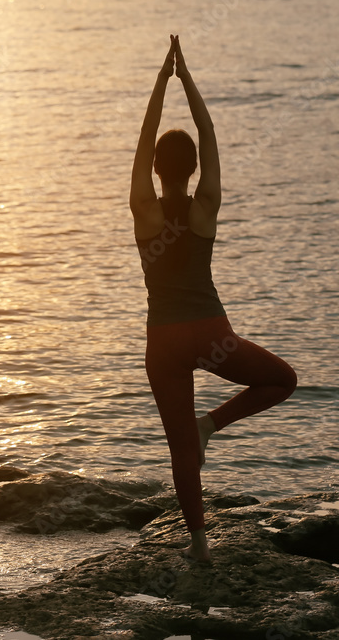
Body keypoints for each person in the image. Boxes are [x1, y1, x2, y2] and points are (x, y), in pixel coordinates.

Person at [131, 35, 297, 564]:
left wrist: (161, 82)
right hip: (211, 337)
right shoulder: (206, 206)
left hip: (162, 343)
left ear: (157, 169)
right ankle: (212, 425)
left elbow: (143, 140)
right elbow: (208, 131)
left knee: (180, 449)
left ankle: (199, 546)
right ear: (195, 166)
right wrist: (187, 79)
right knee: (283, 380)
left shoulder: (144, 212)